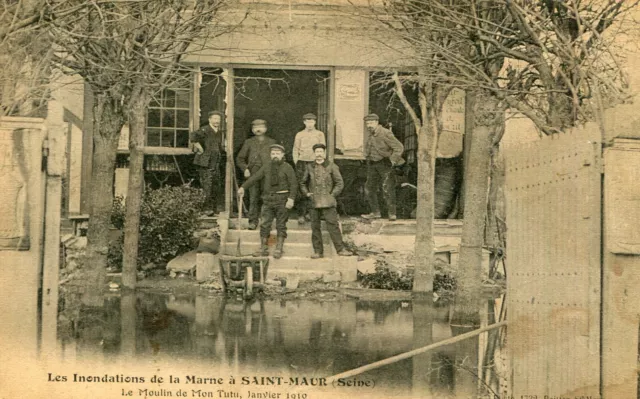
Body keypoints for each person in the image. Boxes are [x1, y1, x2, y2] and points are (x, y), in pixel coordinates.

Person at [237, 144, 297, 259]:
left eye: (277, 154)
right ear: (270, 155)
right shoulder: (266, 166)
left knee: (281, 224)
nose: (275, 156)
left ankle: (278, 248)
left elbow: (294, 184)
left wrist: (291, 199)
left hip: (282, 200)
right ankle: (263, 248)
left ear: (282, 155)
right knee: (264, 224)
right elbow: (255, 178)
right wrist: (243, 187)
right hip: (268, 200)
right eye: (273, 153)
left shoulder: (287, 167)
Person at [299, 143, 352, 258]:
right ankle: (318, 251)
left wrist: (332, 195)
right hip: (314, 201)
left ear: (325, 153)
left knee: (333, 225)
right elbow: (302, 183)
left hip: (328, 201)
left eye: (321, 152)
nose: (319, 154)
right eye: (317, 152)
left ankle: (340, 249)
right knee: (315, 227)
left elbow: (339, 183)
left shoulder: (332, 166)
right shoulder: (309, 167)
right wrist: (307, 193)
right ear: (314, 154)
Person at [361, 113, 405, 221]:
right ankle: (375, 212)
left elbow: (399, 147)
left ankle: (392, 213)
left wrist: (392, 161)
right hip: (372, 164)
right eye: (367, 123)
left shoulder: (385, 133)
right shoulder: (370, 134)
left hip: (385, 163)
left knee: (388, 188)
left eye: (371, 123)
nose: (369, 125)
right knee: (369, 188)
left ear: (377, 122)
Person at [236, 119, 277, 230]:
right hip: (253, 173)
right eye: (255, 127)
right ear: (252, 130)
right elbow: (240, 158)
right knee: (253, 197)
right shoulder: (248, 142)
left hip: (267, 173)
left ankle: (266, 221)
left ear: (266, 129)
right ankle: (253, 221)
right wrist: (245, 169)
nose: (258, 129)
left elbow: (278, 158)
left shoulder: (272, 142)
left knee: (267, 197)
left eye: (261, 127)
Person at [292, 113, 326, 225]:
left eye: (312, 121)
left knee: (314, 187)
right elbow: (295, 149)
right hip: (302, 163)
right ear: (304, 122)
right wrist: (297, 161)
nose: (310, 123)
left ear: (315, 122)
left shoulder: (320, 134)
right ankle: (301, 214)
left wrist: (320, 162)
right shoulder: (299, 134)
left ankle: (311, 213)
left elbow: (323, 149)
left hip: (314, 163)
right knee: (302, 188)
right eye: (307, 121)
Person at [191, 110, 225, 216]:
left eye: (218, 119)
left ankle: (215, 208)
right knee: (207, 186)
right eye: (214, 119)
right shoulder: (205, 129)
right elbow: (193, 137)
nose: (216, 121)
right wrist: (200, 149)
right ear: (210, 119)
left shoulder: (219, 132)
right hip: (206, 162)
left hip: (215, 163)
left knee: (216, 185)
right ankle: (206, 209)